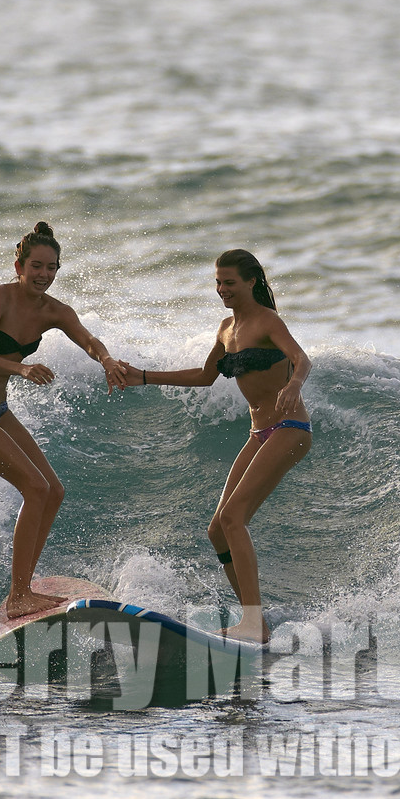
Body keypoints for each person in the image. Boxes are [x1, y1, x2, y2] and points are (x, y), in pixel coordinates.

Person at [121, 249, 311, 643]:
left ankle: (253, 622)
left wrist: (294, 384)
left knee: (233, 518)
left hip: (289, 428)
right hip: (259, 433)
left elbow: (301, 359)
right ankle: (255, 621)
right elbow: (205, 376)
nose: (222, 289)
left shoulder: (267, 321)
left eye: (230, 282)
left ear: (251, 282)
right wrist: (143, 376)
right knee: (217, 530)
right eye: (218, 283)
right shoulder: (226, 329)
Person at [0, 222, 128, 618]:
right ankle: (18, 595)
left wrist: (107, 359)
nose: (43, 275)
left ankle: (23, 587)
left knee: (54, 491)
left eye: (52, 268)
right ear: (19, 265)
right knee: (34, 487)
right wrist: (23, 369)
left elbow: (88, 340)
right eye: (36, 266)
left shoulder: (55, 312)